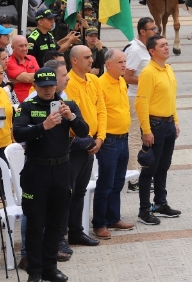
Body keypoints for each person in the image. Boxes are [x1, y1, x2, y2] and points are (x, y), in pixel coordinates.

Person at [13, 67, 89, 282]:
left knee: (57, 223)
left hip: (62, 171)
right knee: (36, 223)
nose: (48, 90)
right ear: (35, 86)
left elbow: (84, 131)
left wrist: (71, 117)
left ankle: (50, 268)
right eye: (43, 86)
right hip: (37, 172)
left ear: (56, 85)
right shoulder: (28, 106)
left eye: (51, 86)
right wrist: (42, 126)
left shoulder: (68, 105)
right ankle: (35, 271)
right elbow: (18, 133)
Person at [135, 35, 181, 224]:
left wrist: (175, 121)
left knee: (163, 166)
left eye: (167, 44)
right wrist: (146, 130)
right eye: (162, 46)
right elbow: (141, 102)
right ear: (152, 51)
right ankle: (144, 210)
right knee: (149, 169)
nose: (166, 47)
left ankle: (160, 203)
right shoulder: (148, 73)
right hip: (155, 125)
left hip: (168, 124)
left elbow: (171, 98)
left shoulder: (168, 69)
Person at [63, 45, 106, 249]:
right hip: (75, 146)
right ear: (75, 61)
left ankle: (76, 231)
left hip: (92, 145)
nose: (91, 60)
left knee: (80, 191)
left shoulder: (94, 80)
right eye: (87, 57)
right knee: (67, 192)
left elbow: (101, 110)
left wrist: (100, 138)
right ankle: (61, 235)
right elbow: (73, 120)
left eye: (91, 56)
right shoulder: (68, 84)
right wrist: (89, 139)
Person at [92, 50, 134, 239]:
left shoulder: (122, 81)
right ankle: (99, 223)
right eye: (120, 62)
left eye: (125, 61)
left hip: (123, 137)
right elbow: (98, 112)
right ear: (108, 65)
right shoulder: (100, 84)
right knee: (106, 182)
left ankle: (113, 217)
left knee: (118, 181)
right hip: (109, 140)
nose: (124, 65)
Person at [124, 17, 158, 182]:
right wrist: (150, 80)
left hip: (148, 98)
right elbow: (126, 76)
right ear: (142, 32)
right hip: (135, 98)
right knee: (136, 136)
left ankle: (145, 171)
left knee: (147, 134)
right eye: (152, 29)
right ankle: (133, 178)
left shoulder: (148, 48)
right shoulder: (135, 50)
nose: (155, 31)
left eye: (156, 28)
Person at [6, 35, 40, 103]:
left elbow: (42, 76)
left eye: (26, 45)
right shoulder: (9, 62)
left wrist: (19, 80)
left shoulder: (32, 58)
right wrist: (35, 78)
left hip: (36, 99)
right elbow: (27, 78)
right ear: (12, 47)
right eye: (21, 46)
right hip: (19, 102)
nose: (24, 48)